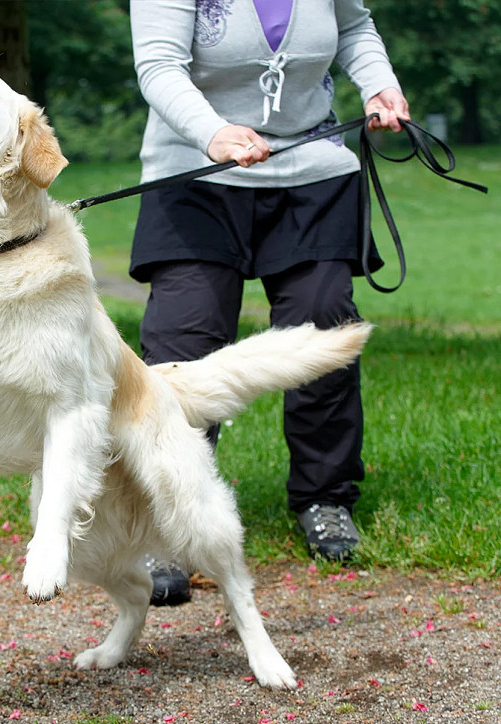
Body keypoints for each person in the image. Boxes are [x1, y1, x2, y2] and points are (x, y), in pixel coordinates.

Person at [129, 0, 410, 605]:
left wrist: (379, 86)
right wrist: (213, 132)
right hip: (195, 172)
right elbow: (157, 65)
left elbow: (355, 27)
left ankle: (324, 498)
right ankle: (165, 523)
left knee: (324, 325)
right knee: (184, 341)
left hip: (310, 167)